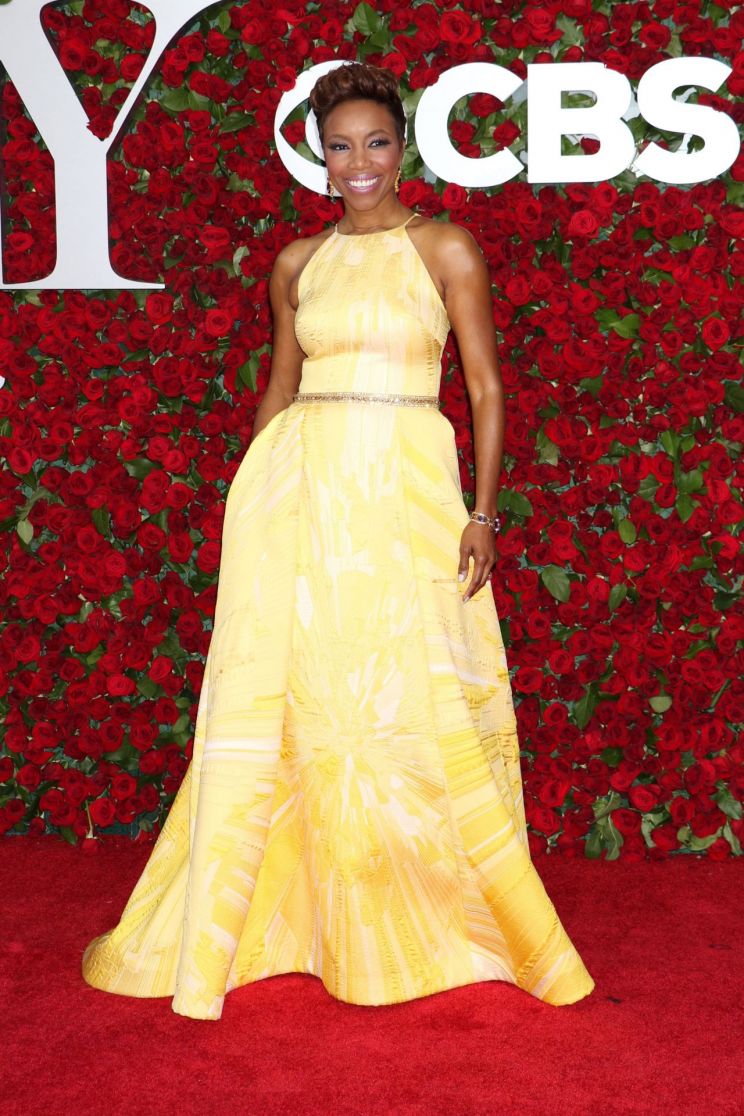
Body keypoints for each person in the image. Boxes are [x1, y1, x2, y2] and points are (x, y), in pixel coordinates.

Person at [82, 61, 595, 1020]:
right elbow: (281, 390)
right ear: (321, 160)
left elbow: (485, 386)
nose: (359, 162)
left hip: (408, 493)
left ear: (403, 150)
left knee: (410, 694)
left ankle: (429, 915)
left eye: (376, 143)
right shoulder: (296, 263)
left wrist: (483, 514)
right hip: (302, 498)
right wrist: (251, 501)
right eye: (341, 147)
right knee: (307, 698)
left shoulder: (445, 247)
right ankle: (299, 917)